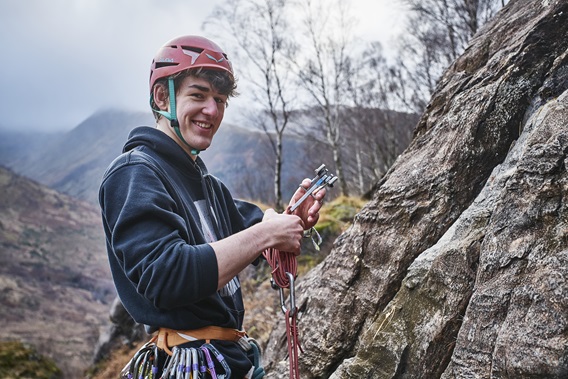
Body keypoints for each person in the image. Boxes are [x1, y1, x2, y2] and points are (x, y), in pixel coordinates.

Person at [98, 35, 326, 378]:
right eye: (198, 95)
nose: (213, 111)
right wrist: (267, 234)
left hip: (226, 359)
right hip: (190, 362)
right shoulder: (135, 174)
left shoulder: (207, 186)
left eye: (219, 100)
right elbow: (166, 277)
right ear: (163, 97)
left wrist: (291, 220)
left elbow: (250, 230)